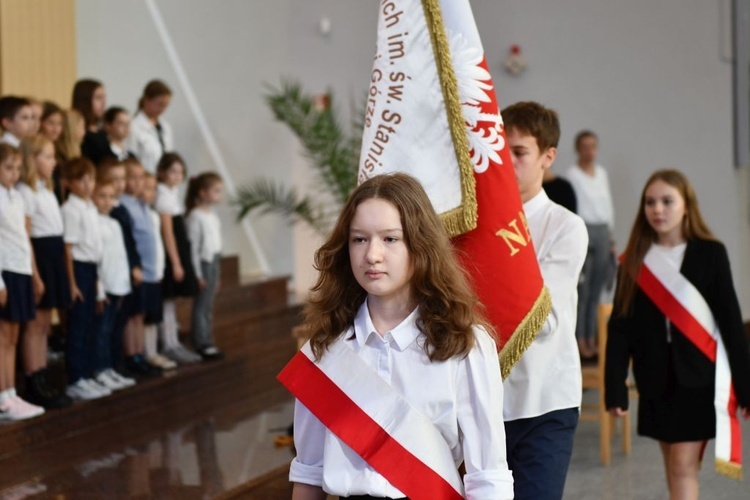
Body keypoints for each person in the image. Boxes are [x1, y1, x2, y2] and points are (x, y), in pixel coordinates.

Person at [286, 173, 514, 499]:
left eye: (390, 239)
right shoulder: (323, 351)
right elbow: (308, 473)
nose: (372, 255)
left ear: (419, 245)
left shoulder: (465, 345)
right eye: (359, 239)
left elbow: (489, 477)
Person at [606, 170, 750, 499]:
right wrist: (615, 388)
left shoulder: (711, 254)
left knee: (683, 465)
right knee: (673, 465)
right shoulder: (633, 262)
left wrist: (746, 386)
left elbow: (730, 322)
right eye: (650, 202)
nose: (658, 209)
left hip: (699, 379)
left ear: (686, 206)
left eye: (667, 201)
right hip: (654, 380)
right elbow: (620, 329)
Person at [500, 102, 588, 500]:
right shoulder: (470, 228)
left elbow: (542, 318)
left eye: (518, 152)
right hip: (485, 404)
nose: (506, 161)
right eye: (499, 150)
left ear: (547, 158)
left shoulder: (565, 226)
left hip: (545, 401)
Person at [17, 135, 73, 408]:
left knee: (44, 325)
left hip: (53, 253)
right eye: (48, 156)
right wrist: (35, 275)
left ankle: (42, 375)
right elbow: (26, 236)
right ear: (32, 158)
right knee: (35, 325)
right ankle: (32, 380)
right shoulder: (26, 192)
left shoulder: (46, 189)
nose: (53, 162)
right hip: (39, 255)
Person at [0, 143, 45, 420]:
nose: (14, 173)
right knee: (3, 338)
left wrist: (34, 275)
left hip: (21, 271)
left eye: (17, 168)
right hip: (5, 272)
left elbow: (23, 239)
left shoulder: (16, 197)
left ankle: (11, 393)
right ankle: (3, 397)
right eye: (8, 168)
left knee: (13, 337)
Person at [62, 157, 110, 400]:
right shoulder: (70, 209)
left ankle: (87, 375)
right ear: (68, 183)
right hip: (78, 269)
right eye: (81, 180)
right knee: (78, 326)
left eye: (91, 179)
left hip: (92, 269)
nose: (88, 184)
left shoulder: (90, 207)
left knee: (90, 323)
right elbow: (68, 249)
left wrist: (99, 285)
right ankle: (75, 378)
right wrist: (72, 283)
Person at [565, 130, 615, 359]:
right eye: (585, 146)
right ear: (578, 150)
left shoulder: (602, 173)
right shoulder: (573, 175)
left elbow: (607, 202)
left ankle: (593, 339)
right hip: (585, 229)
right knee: (583, 291)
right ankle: (580, 340)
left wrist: (611, 235)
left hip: (602, 230)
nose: (590, 151)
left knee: (597, 289)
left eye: (593, 146)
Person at [91, 178, 136, 391]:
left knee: (112, 330)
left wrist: (124, 286)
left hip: (119, 286)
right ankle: (99, 369)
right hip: (105, 289)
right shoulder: (94, 223)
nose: (107, 201)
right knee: (101, 330)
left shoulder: (115, 223)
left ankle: (109, 367)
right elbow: (96, 261)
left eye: (111, 197)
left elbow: (121, 258)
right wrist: (100, 290)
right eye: (102, 196)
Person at [155, 153, 200, 364]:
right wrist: (175, 262)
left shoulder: (172, 193)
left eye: (180, 172)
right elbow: (167, 232)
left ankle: (174, 342)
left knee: (171, 304)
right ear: (162, 172)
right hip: (169, 256)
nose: (177, 176)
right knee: (167, 302)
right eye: (172, 171)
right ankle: (168, 343)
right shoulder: (162, 195)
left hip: (178, 253)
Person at [119, 158, 162, 377]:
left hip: (148, 269)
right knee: (131, 314)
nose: (136, 182)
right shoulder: (123, 205)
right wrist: (133, 266)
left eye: (140, 177)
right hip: (135, 270)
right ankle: (131, 356)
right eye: (131, 177)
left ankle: (139, 354)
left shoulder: (141, 203)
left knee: (140, 315)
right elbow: (128, 241)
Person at [185, 172, 224, 361]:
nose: (219, 195)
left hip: (214, 261)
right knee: (201, 305)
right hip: (203, 263)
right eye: (216, 190)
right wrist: (197, 274)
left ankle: (208, 339)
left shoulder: (213, 215)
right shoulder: (195, 216)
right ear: (202, 192)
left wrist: (218, 274)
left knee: (208, 305)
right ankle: (200, 342)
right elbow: (193, 248)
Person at [140, 173, 176, 371]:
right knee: (146, 317)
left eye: (154, 189)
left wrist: (160, 268)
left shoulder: (153, 215)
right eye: (147, 188)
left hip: (156, 272)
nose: (151, 193)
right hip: (145, 273)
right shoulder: (140, 214)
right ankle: (146, 353)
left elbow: (157, 245)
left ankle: (153, 352)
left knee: (154, 315)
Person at [127, 80, 174, 173]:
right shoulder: (134, 126)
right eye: (159, 104)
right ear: (146, 100)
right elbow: (132, 158)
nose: (162, 110)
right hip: (145, 179)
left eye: (165, 106)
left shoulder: (165, 126)